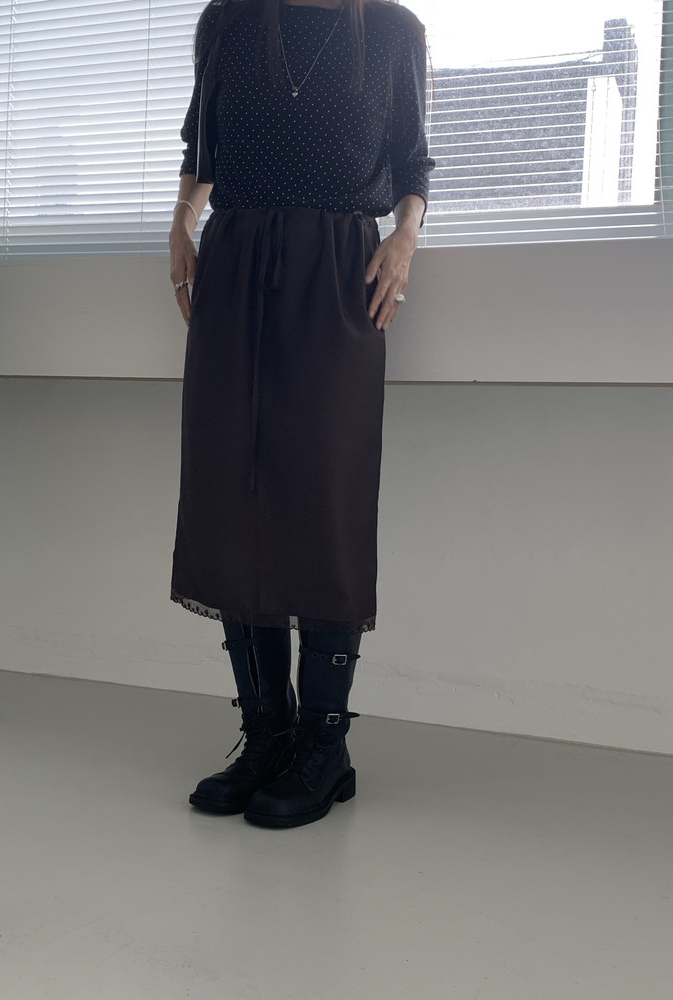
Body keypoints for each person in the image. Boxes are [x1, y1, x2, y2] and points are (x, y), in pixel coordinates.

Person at [168, 0, 434, 829]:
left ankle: (324, 743)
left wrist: (404, 238)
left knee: (325, 498)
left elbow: (413, 162)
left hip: (339, 270)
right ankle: (266, 734)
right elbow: (201, 145)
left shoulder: (392, 31)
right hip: (235, 260)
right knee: (231, 491)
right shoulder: (230, 21)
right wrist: (181, 222)